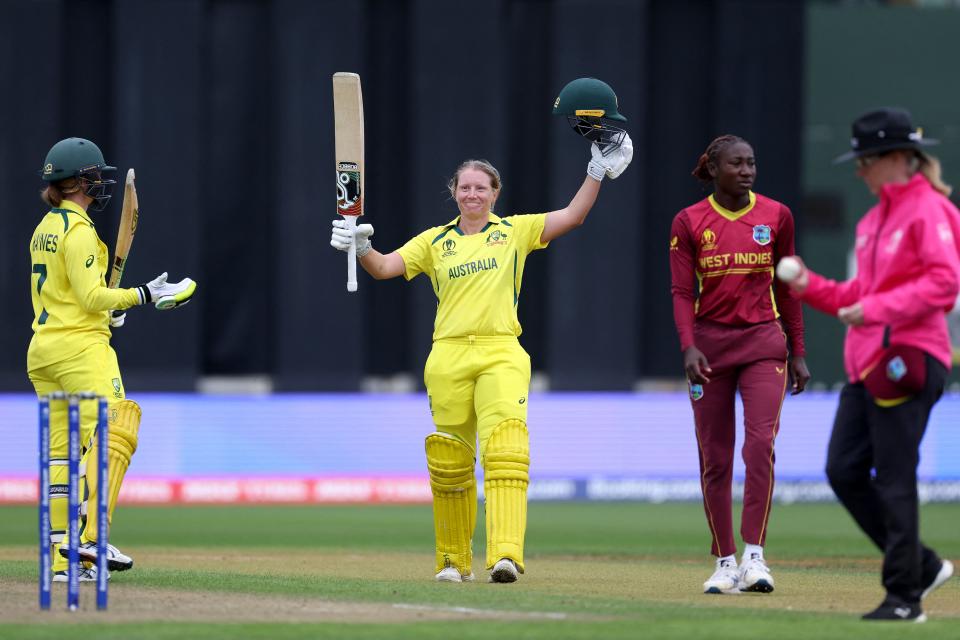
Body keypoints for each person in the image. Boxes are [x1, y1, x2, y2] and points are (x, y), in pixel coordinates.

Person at [330, 89, 633, 584]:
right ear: (454, 192)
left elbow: (573, 216)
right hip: (447, 356)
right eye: (465, 188)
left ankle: (505, 556)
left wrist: (595, 171)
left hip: (500, 352)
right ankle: (452, 562)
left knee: (505, 449)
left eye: (481, 188)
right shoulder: (434, 240)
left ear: (495, 193)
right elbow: (384, 268)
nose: (472, 195)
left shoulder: (514, 231)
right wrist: (360, 245)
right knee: (450, 459)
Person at [780, 108, 957, 622]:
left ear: (900, 158)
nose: (859, 170)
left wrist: (876, 309)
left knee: (895, 476)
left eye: (866, 160)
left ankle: (905, 598)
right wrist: (809, 287)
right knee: (843, 469)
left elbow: (944, 284)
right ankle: (921, 566)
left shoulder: (931, 210)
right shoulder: (873, 219)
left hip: (910, 357)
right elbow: (859, 295)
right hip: (869, 363)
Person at [29, 137, 196, 582]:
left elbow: (70, 295)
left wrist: (109, 310)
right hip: (80, 350)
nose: (101, 184)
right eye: (96, 176)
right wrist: (142, 295)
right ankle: (90, 537)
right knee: (118, 424)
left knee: (63, 454)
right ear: (80, 181)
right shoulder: (79, 230)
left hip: (44, 351)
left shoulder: (45, 226)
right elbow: (90, 295)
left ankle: (64, 558)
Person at [669, 134, 810, 595]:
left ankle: (755, 556)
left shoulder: (777, 215)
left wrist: (799, 351)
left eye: (751, 162)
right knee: (715, 457)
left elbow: (788, 287)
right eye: (736, 164)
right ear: (713, 168)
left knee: (758, 446)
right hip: (709, 348)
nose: (747, 170)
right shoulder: (689, 221)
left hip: (763, 343)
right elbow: (682, 292)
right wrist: (689, 346)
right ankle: (724, 561)